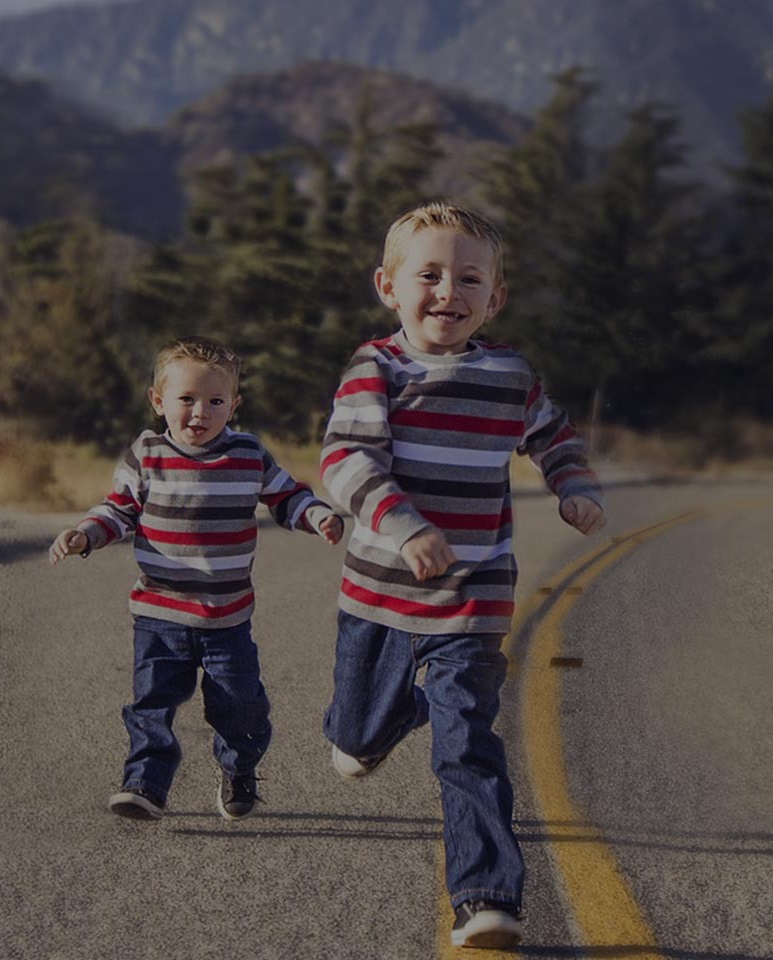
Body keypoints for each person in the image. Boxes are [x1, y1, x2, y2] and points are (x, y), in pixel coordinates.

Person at [319, 201, 605, 948]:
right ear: (388, 286)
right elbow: (345, 462)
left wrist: (574, 485)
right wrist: (406, 527)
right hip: (379, 596)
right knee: (352, 741)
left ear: (494, 297)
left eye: (469, 279)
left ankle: (485, 897)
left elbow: (554, 436)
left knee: (468, 742)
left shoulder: (508, 375)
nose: (448, 291)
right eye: (430, 275)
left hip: (473, 600)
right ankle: (384, 720)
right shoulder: (376, 369)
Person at [51, 336, 345, 822]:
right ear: (157, 400)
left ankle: (239, 767)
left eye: (215, 402)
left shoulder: (247, 454)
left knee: (241, 708)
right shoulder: (147, 453)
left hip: (227, 619)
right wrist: (85, 535)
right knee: (151, 704)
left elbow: (286, 496)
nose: (199, 413)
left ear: (234, 404)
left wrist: (317, 516)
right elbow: (118, 509)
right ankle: (144, 784)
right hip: (159, 614)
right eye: (186, 399)